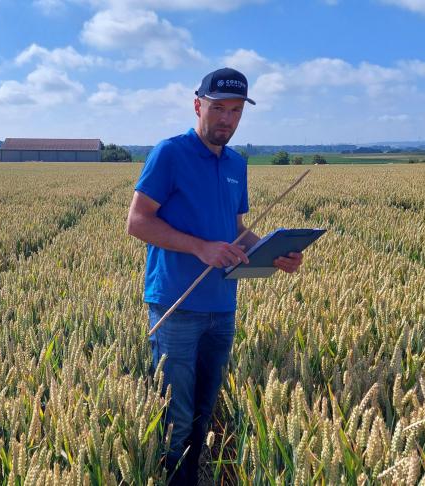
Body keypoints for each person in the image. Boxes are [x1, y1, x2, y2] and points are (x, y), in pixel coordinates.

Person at [126, 67, 303, 485]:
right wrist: (199, 247)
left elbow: (236, 228)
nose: (227, 118)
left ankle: (194, 475)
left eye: (236, 110)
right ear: (197, 105)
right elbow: (137, 222)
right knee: (177, 414)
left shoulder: (237, 164)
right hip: (177, 304)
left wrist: (273, 253)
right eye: (218, 108)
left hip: (223, 306)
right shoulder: (169, 153)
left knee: (205, 408)